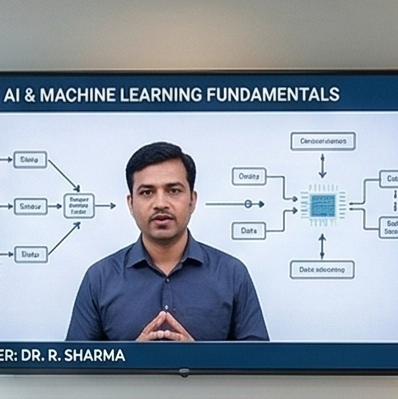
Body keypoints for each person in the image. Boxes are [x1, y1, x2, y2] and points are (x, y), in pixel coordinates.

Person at [65, 141, 268, 344]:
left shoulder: (231, 274)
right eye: (147, 192)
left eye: (173, 191)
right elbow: (74, 361)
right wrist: (132, 357)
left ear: (192, 200)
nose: (160, 204)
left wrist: (200, 357)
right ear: (131, 203)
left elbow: (260, 360)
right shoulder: (100, 279)